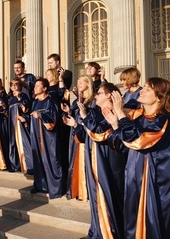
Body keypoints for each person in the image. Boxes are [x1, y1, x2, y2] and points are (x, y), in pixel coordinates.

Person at [103, 77, 170, 239]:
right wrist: (116, 125)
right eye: (143, 87)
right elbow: (123, 146)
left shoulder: (165, 120)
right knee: (132, 218)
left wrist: (121, 116)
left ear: (159, 96)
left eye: (148, 89)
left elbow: (139, 141)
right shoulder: (138, 119)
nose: (142, 91)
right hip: (133, 176)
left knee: (151, 220)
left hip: (153, 179)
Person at [65, 83, 126, 238]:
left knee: (108, 198)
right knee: (96, 199)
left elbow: (99, 133)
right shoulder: (98, 112)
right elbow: (87, 137)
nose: (96, 96)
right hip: (94, 161)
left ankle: (109, 234)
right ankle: (97, 231)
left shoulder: (115, 113)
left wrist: (84, 117)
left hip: (108, 163)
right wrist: (76, 125)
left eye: (99, 93)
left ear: (108, 95)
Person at [61, 75, 95, 201]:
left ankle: (87, 191)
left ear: (88, 83)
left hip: (87, 134)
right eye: (78, 81)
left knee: (86, 162)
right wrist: (69, 111)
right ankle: (77, 189)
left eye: (81, 82)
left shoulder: (93, 100)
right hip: (75, 133)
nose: (78, 83)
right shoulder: (77, 100)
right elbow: (75, 115)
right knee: (75, 161)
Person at [29, 78, 63, 199]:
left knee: (52, 159)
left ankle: (55, 188)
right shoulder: (35, 102)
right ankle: (40, 185)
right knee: (38, 158)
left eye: (38, 86)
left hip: (48, 136)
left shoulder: (51, 101)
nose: (35, 87)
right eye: (35, 86)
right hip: (36, 135)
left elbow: (53, 119)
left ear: (44, 88)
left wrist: (40, 115)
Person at [8, 78, 32, 173]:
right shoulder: (10, 98)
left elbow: (26, 109)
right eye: (12, 84)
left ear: (20, 86)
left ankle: (28, 166)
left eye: (16, 84)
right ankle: (14, 165)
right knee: (12, 143)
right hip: (12, 123)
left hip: (20, 123)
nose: (14, 86)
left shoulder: (24, 96)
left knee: (24, 142)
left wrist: (19, 98)